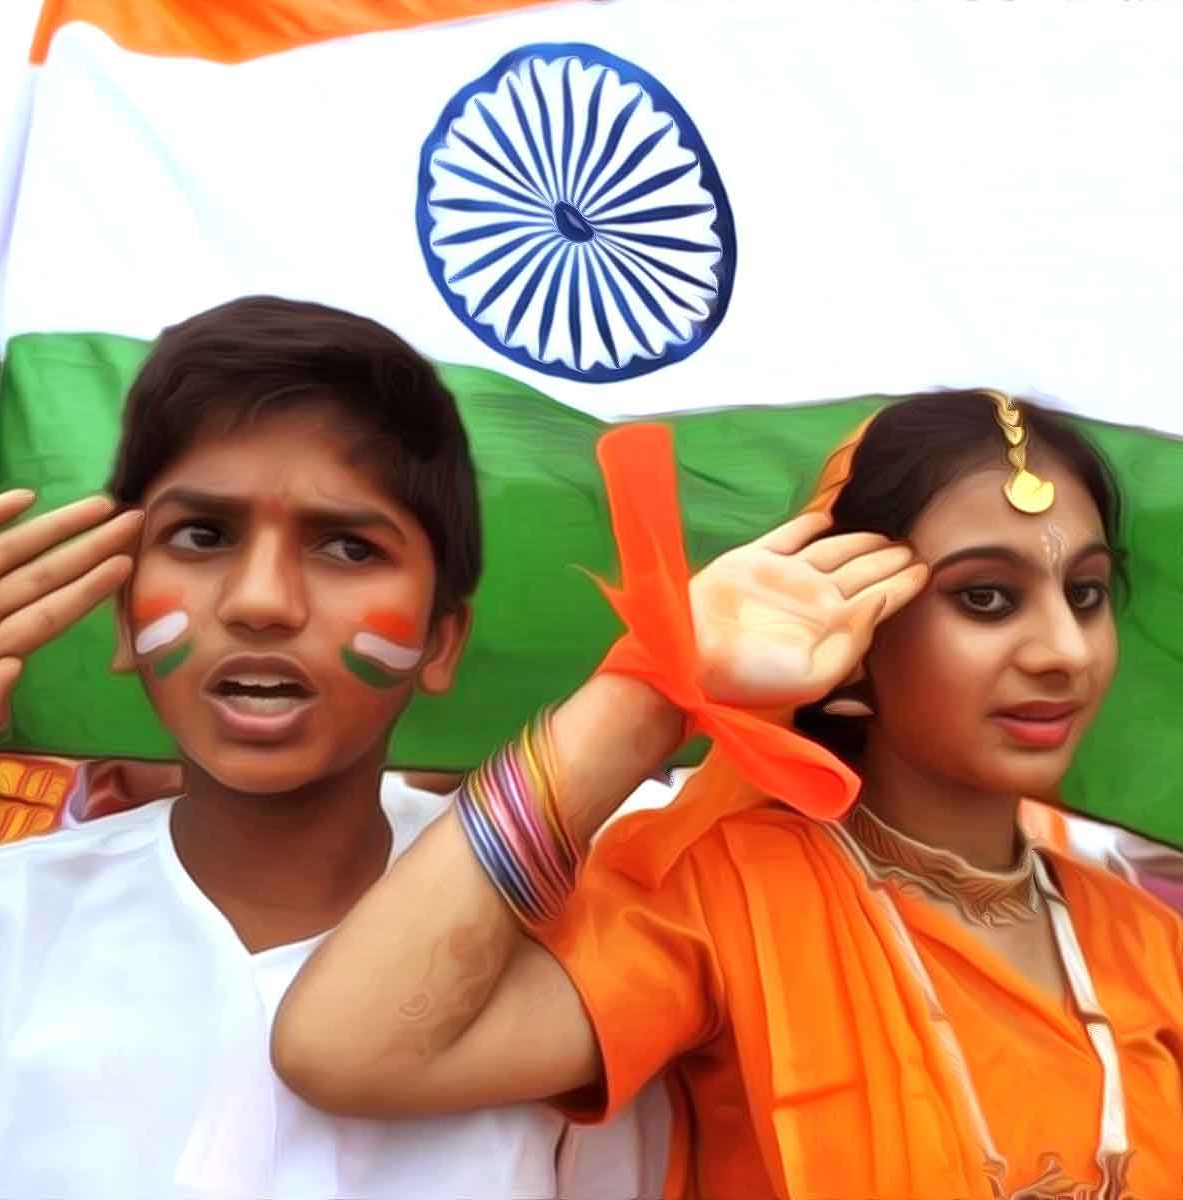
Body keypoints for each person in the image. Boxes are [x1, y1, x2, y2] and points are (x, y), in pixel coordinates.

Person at [273, 390, 1183, 1198]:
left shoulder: (1146, 943)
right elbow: (347, 1047)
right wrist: (657, 688)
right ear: (857, 625)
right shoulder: (730, 896)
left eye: (1087, 593)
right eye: (986, 598)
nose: (1064, 651)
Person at [0, 295, 663, 1199]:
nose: (261, 601)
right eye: (202, 536)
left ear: (441, 641)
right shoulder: (3, 925)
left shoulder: (576, 969)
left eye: (347, 547)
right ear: (121, 617)